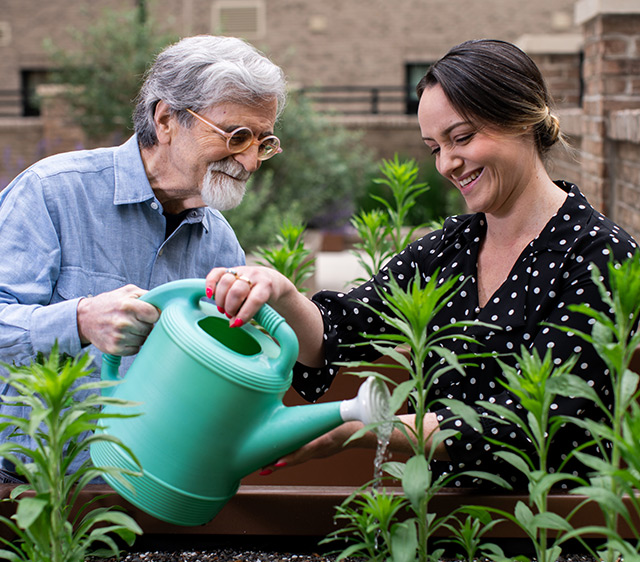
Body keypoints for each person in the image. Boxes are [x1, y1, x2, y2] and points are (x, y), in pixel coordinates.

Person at [206, 39, 638, 490]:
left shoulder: (600, 255)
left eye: (462, 137)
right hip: (444, 526)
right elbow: (341, 334)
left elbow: (543, 423)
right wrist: (282, 292)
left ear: (523, 120)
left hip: (557, 533)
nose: (448, 163)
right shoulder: (449, 250)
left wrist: (358, 428)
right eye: (434, 148)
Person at [0, 35, 287, 480]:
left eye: (263, 142)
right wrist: (78, 320)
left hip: (153, 496)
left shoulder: (220, 243)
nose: (250, 162)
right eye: (237, 136)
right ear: (167, 119)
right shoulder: (52, 192)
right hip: (35, 497)